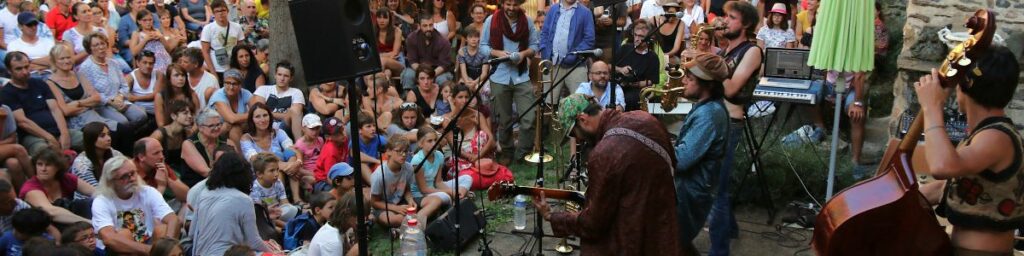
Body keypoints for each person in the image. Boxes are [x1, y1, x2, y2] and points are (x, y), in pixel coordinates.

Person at [534, 93, 680, 254]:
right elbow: (673, 163)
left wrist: (552, 216)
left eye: (574, 134)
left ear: (583, 119)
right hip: (664, 230)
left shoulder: (604, 153)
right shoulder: (646, 119)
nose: (578, 140)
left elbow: (593, 223)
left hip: (634, 240)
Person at [916, 46, 1023, 255]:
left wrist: (932, 107)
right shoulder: (987, 134)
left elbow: (941, 166)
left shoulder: (996, 137)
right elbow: (952, 185)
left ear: (963, 87)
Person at [707, 2, 762, 255]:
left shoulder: (752, 51)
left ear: (746, 24)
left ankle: (719, 251)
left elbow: (730, 89)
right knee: (719, 185)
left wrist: (710, 65)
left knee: (716, 191)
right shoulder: (726, 50)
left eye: (732, 17)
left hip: (730, 123)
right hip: (716, 119)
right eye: (725, 16)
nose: (725, 21)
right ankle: (730, 229)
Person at [668, 53, 731, 255]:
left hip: (690, 192)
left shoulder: (709, 114)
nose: (684, 81)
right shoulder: (706, 107)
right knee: (679, 243)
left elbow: (682, 160)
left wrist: (658, 145)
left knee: (673, 243)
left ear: (708, 84)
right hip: (688, 189)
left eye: (690, 78)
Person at [479, 0, 538, 164]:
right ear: (502, 3)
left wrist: (523, 54)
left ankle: (523, 154)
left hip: (521, 76)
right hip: (499, 75)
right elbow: (483, 47)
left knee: (529, 118)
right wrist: (498, 53)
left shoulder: (527, 21)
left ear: (520, 4)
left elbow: (535, 45)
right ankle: (506, 152)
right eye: (508, 4)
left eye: (515, 4)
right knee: (503, 120)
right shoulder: (491, 20)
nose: (511, 8)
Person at [91, 156, 179, 255]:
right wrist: (151, 251)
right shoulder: (101, 201)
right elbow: (109, 238)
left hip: (148, 241)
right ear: (111, 182)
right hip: (121, 249)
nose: (132, 179)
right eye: (124, 177)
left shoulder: (148, 192)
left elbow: (173, 219)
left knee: (162, 229)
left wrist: (167, 248)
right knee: (124, 234)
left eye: (133, 173)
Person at [0, 52, 83, 156]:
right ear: (9, 70)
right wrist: (49, 137)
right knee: (45, 152)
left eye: (26, 67)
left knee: (90, 140)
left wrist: (64, 133)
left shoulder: (39, 83)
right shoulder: (7, 93)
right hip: (33, 136)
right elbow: (23, 122)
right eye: (19, 69)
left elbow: (55, 109)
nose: (25, 72)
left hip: (57, 129)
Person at [191, 152, 272, 255]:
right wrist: (276, 253)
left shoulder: (203, 194)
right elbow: (254, 241)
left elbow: (192, 233)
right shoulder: (244, 200)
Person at [78, 33, 150, 130]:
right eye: (96, 45)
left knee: (141, 116)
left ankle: (128, 134)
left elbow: (124, 85)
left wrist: (120, 97)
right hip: (102, 105)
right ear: (89, 48)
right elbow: (91, 93)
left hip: (120, 100)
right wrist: (111, 101)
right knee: (122, 122)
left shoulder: (114, 63)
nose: (101, 47)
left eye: (102, 43)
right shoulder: (85, 67)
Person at [538, 0, 595, 104]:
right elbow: (544, 33)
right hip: (553, 64)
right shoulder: (552, 9)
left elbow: (589, 39)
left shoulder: (586, 12)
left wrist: (574, 54)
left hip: (576, 66)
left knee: (580, 103)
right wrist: (545, 52)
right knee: (549, 103)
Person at [411, 126, 472, 222]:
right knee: (445, 196)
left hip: (434, 187)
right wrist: (450, 192)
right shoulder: (418, 160)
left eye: (435, 140)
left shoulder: (439, 155)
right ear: (420, 143)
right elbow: (424, 189)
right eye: (429, 141)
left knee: (467, 178)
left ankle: (460, 195)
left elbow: (438, 182)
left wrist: (451, 191)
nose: (434, 143)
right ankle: (460, 199)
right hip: (421, 194)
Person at [23, 148, 96, 224]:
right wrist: (90, 222)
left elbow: (96, 192)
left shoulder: (65, 178)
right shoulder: (30, 187)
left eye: (48, 165)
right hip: (45, 225)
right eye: (40, 164)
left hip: (71, 218)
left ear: (57, 167)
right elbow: (51, 212)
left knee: (91, 202)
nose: (43, 169)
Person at [442, 84, 496, 170]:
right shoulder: (447, 119)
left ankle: (478, 165)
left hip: (478, 153)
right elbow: (454, 147)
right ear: (453, 99)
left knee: (482, 134)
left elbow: (491, 139)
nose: (464, 100)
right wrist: (470, 156)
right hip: (459, 154)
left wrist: (478, 155)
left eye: (466, 97)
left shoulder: (477, 115)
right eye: (460, 97)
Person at [369, 137, 416, 228]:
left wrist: (410, 200)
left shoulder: (408, 168)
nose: (403, 154)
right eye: (398, 151)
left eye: (405, 151)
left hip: (400, 202)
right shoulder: (379, 175)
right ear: (389, 152)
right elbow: (374, 202)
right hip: (383, 207)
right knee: (394, 219)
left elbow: (407, 189)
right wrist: (396, 208)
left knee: (415, 211)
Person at [400, 13, 454, 91]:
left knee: (442, 80)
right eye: (425, 26)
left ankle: (441, 98)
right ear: (419, 26)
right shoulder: (411, 38)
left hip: (437, 71)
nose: (428, 28)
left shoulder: (443, 41)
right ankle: (408, 96)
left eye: (431, 25)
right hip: (418, 68)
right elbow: (412, 61)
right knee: (408, 75)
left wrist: (429, 75)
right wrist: (423, 74)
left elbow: (443, 65)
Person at [615, 19, 660, 111]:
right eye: (635, 35)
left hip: (637, 90)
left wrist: (638, 84)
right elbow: (610, 66)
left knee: (630, 99)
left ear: (649, 39)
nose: (637, 39)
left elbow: (653, 80)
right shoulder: (625, 48)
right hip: (618, 85)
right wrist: (621, 69)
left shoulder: (652, 57)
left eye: (641, 36)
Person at [251, 61, 305, 138]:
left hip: (285, 126)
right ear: (275, 75)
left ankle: (299, 143)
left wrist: (269, 113)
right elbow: (258, 112)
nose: (282, 78)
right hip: (266, 125)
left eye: (286, 76)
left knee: (294, 111)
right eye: (279, 74)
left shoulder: (296, 92)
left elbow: (296, 114)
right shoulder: (263, 89)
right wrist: (284, 114)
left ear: (291, 78)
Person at [149, 101, 196, 188]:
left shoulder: (188, 133)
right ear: (173, 116)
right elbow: (147, 154)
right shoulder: (159, 134)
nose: (190, 116)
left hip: (179, 168)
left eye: (190, 113)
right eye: (185, 113)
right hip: (161, 170)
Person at [180, 107, 229, 187]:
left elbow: (237, 165)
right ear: (200, 127)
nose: (216, 128)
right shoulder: (189, 144)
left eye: (218, 124)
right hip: (197, 187)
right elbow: (205, 172)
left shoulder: (226, 142)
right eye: (211, 126)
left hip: (222, 184)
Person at [249, 153, 299, 227]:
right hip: (265, 217)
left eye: (277, 169)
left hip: (278, 213)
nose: (276, 174)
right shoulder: (254, 189)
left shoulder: (278, 183)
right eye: (272, 171)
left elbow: (285, 202)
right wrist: (285, 224)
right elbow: (260, 214)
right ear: (259, 174)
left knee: (294, 210)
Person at [71, 122, 123, 189]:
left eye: (108, 134)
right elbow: (94, 191)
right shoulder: (81, 164)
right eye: (102, 136)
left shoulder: (113, 153)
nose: (108, 138)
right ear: (91, 139)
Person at [209, 69, 253, 147]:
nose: (231, 87)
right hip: (214, 130)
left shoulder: (245, 93)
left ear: (240, 85)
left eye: (234, 84)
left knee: (235, 128)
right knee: (229, 126)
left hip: (236, 127)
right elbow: (232, 119)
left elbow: (258, 110)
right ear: (223, 83)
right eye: (228, 83)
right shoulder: (218, 96)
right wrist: (251, 114)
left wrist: (251, 115)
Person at [201, 0, 244, 77]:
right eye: (217, 11)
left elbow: (240, 49)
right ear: (213, 13)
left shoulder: (237, 27)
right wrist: (213, 73)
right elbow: (205, 52)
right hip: (216, 68)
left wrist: (240, 68)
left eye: (223, 10)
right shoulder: (208, 28)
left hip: (233, 67)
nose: (220, 13)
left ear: (227, 11)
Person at [308, 191, 359, 256]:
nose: (334, 210)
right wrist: (351, 254)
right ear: (347, 214)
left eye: (336, 207)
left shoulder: (336, 227)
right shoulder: (332, 240)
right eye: (331, 207)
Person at [313, 118, 351, 191]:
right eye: (338, 133)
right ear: (328, 137)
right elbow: (330, 177)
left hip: (341, 175)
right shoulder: (330, 151)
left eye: (342, 129)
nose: (343, 134)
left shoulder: (344, 140)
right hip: (324, 181)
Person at [0, 106, 33, 188]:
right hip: (7, 148)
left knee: (13, 164)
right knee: (18, 149)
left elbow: (13, 138)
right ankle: (35, 182)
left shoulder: (5, 109)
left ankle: (25, 192)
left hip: (4, 150)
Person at [125, 51, 164, 115]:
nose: (148, 66)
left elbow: (155, 95)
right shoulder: (130, 77)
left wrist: (135, 98)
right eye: (144, 63)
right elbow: (126, 96)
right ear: (138, 63)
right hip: (139, 112)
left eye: (151, 63)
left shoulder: (158, 75)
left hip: (157, 110)